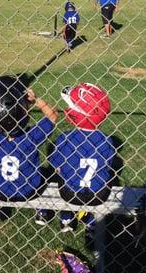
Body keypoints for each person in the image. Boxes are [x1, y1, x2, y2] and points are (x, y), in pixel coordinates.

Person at [0, 76, 58, 224]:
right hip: (30, 191)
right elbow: (53, 115)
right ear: (25, 115)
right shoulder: (31, 137)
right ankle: (42, 211)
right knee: (47, 172)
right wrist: (35, 100)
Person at [49, 83, 115, 246]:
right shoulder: (107, 140)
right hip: (99, 194)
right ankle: (91, 222)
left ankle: (67, 218)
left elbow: (56, 166)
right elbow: (108, 165)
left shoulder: (65, 138)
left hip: (69, 193)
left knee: (64, 176)